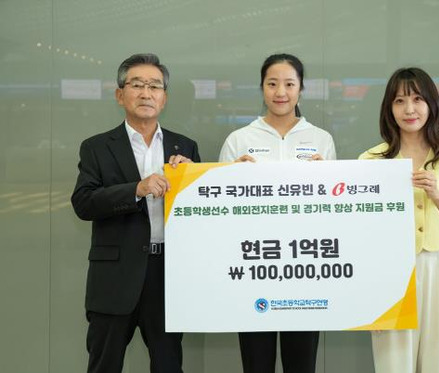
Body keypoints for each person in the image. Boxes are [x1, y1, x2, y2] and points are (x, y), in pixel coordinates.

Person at [71, 53, 200, 373]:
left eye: (155, 86)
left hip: (168, 273)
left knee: (168, 363)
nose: (146, 93)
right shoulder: (97, 147)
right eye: (137, 84)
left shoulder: (184, 146)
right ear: (120, 94)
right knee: (104, 363)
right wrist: (136, 190)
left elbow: (200, 214)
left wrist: (192, 179)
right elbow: (83, 203)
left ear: (164, 97)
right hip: (114, 276)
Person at [219, 53, 336, 373]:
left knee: (302, 363)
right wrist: (230, 177)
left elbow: (334, 210)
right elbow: (218, 210)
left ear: (301, 89)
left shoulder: (321, 140)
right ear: (262, 88)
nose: (280, 92)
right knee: (257, 363)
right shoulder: (239, 140)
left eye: (289, 84)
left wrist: (327, 180)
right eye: (272, 84)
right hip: (255, 265)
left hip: (304, 267)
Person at [359, 67, 439, 373]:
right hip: (390, 267)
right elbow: (361, 232)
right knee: (393, 360)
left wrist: (436, 194)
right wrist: (373, 297)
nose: (409, 109)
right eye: (399, 101)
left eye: (417, 99)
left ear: (431, 104)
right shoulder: (371, 161)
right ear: (389, 109)